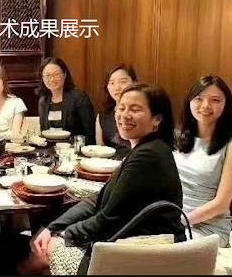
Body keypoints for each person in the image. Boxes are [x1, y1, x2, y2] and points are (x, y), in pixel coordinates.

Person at [26, 84, 185, 274]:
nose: (125, 115)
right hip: (130, 245)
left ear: (157, 119)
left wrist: (62, 234)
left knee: (39, 253)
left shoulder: (148, 156)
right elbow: (97, 200)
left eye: (135, 110)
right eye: (122, 108)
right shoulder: (147, 149)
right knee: (40, 244)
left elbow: (107, 220)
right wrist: (53, 227)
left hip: (140, 258)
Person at [174, 75, 232, 247]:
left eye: (215, 100)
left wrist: (181, 221)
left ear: (226, 105)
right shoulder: (180, 136)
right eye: (199, 98)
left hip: (209, 228)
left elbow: (221, 204)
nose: (206, 105)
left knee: (154, 254)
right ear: (189, 102)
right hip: (175, 218)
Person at [38, 58, 96, 144]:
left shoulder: (79, 98)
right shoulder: (43, 101)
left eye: (56, 74)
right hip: (50, 148)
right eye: (47, 75)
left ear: (65, 74)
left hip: (75, 148)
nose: (52, 79)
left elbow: (90, 133)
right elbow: (44, 131)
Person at [95, 64, 136, 156]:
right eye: (112, 83)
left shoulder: (141, 114)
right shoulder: (103, 115)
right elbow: (100, 148)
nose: (117, 88)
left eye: (123, 82)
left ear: (134, 83)